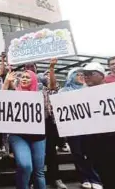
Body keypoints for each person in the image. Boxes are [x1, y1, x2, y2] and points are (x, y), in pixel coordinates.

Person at [60, 68, 102, 189]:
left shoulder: (88, 89)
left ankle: (94, 178)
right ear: (71, 77)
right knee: (77, 154)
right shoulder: (63, 91)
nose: (81, 76)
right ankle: (84, 178)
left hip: (88, 128)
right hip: (73, 129)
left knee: (90, 153)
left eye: (82, 75)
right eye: (77, 75)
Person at [3, 70, 46, 189]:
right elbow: (0, 100)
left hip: (38, 137)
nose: (24, 79)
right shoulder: (14, 94)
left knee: (39, 172)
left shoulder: (41, 94)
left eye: (28, 77)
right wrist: (7, 82)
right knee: (25, 166)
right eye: (22, 77)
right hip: (18, 135)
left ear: (34, 80)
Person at [41, 59, 67, 189]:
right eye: (45, 75)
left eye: (49, 74)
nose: (48, 77)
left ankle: (55, 178)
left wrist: (51, 68)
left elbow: (52, 85)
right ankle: (36, 179)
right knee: (38, 154)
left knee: (51, 152)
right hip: (36, 125)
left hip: (50, 124)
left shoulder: (52, 90)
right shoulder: (36, 90)